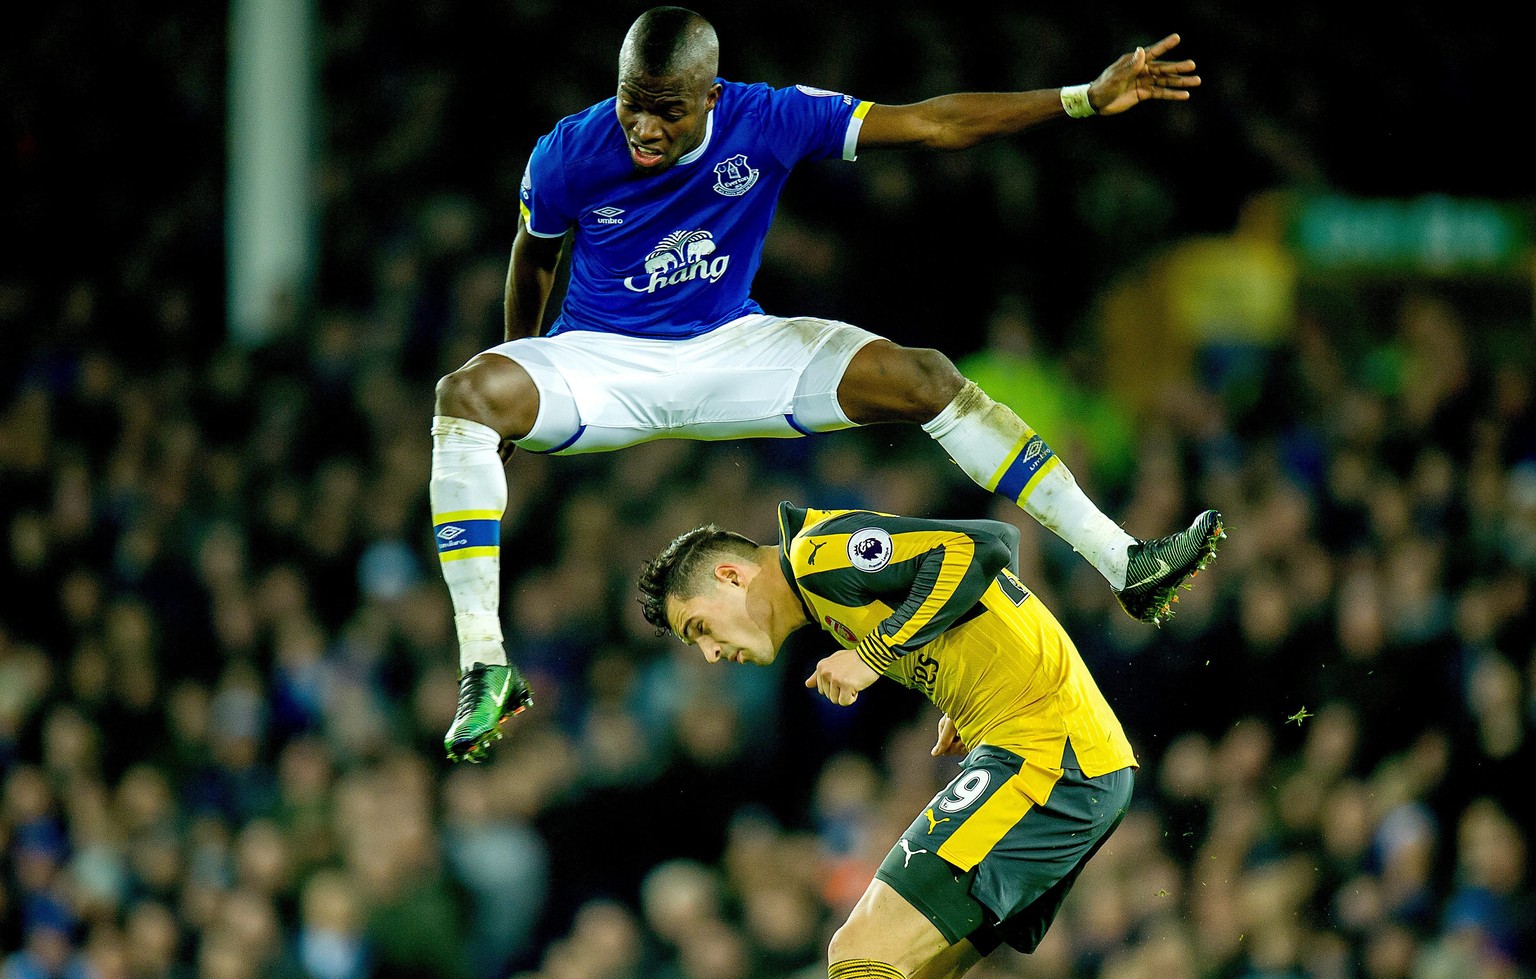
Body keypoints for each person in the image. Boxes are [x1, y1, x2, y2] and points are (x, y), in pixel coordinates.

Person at [431, 5, 1213, 762]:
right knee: (466, 396)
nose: (643, 128)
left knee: (926, 377)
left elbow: (933, 123)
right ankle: (485, 663)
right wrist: (523, 371)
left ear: (711, 95)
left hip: (731, 349)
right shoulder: (568, 152)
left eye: (667, 111)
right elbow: (534, 253)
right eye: (633, 104)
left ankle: (1124, 561)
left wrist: (1081, 99)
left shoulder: (768, 118)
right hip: (602, 361)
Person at [637, 501, 1223, 977]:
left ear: (730, 575)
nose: (712, 654)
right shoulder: (826, 596)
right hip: (1062, 757)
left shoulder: (819, 556)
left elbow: (988, 546)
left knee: (858, 956)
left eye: (700, 629)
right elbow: (980, 605)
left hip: (1047, 753)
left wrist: (875, 654)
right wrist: (964, 703)